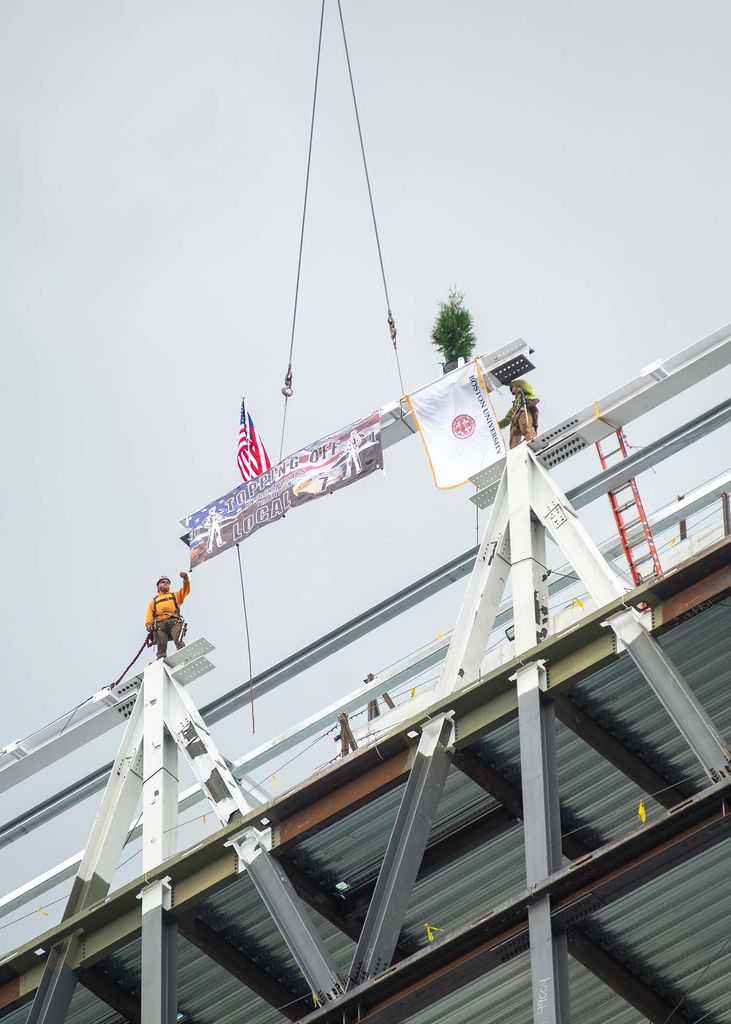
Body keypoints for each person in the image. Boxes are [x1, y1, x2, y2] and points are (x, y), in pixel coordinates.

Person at [145, 572, 191, 660]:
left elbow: (186, 590)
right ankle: (161, 659)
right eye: (163, 582)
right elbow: (149, 614)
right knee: (161, 643)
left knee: (178, 638)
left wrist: (186, 579)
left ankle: (184, 654)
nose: (166, 583)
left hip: (174, 621)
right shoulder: (153, 602)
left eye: (167, 582)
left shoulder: (175, 596)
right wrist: (148, 624)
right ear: (158, 586)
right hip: (160, 625)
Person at [498, 379, 539, 449]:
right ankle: (514, 450)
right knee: (514, 434)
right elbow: (508, 418)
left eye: (513, 387)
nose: (512, 390)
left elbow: (522, 383)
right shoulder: (515, 403)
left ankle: (531, 438)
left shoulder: (526, 392)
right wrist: (499, 425)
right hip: (515, 418)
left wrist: (510, 383)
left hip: (523, 410)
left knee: (525, 426)